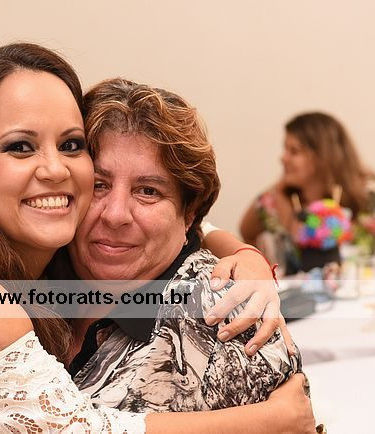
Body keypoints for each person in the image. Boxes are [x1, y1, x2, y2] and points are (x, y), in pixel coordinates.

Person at [0, 43, 314, 433]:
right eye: (20, 147)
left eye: (69, 145)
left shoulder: (212, 304)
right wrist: (273, 420)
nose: (55, 170)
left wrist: (243, 253)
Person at [43, 78, 302, 412]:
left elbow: (294, 421)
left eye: (148, 191)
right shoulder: (28, 271)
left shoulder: (223, 314)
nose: (115, 215)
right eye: (98, 185)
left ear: (189, 213)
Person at [240, 111, 375, 273]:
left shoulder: (372, 195)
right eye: (285, 149)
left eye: (294, 151)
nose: (283, 158)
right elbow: (246, 234)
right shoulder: (272, 201)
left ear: (324, 155)